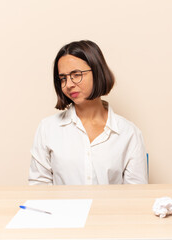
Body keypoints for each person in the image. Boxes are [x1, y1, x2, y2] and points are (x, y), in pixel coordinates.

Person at [29, 40, 148, 185]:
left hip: (110, 209)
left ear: (97, 71)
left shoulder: (128, 133)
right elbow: (39, 188)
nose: (69, 84)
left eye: (76, 74)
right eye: (63, 78)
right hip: (61, 209)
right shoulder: (48, 128)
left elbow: (135, 195)